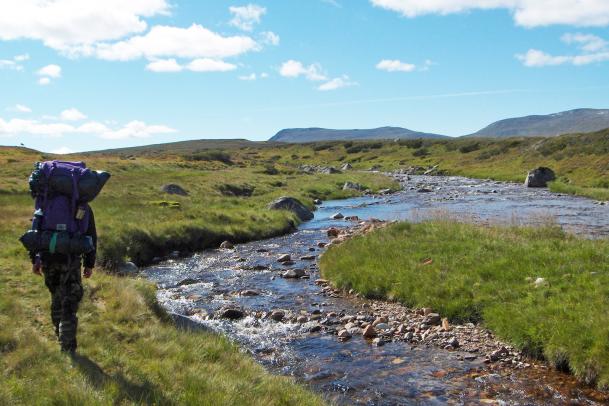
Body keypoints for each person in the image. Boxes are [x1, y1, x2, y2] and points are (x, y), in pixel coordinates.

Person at [30, 208, 97, 354]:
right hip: (70, 259)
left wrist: (35, 259)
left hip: (48, 258)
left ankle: (59, 336)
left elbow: (35, 231)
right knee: (70, 302)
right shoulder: (81, 204)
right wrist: (89, 263)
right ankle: (67, 347)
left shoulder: (46, 200)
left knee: (56, 297)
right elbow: (90, 234)